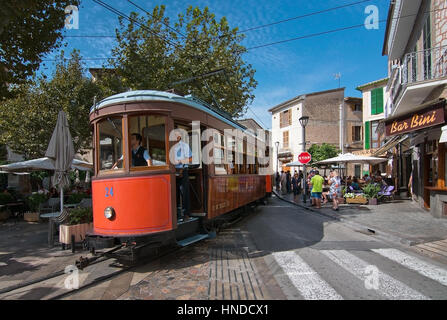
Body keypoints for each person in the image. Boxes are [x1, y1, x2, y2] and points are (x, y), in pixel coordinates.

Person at [173, 132, 193, 221]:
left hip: (182, 171)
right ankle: (176, 214)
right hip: (173, 171)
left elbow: (190, 159)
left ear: (179, 137)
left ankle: (186, 214)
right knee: (174, 193)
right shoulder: (171, 147)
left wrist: (180, 163)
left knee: (184, 193)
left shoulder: (184, 146)